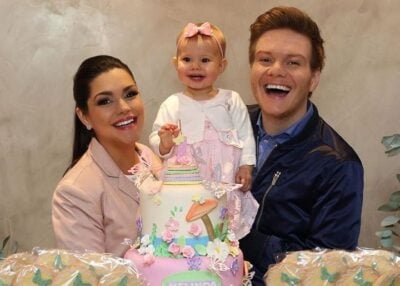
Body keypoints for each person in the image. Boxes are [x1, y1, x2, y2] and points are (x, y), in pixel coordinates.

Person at [238, 6, 364, 285]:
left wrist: (248, 240)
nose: (276, 71)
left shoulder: (339, 165)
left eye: (293, 62)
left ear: (314, 78)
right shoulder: (226, 127)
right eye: (265, 59)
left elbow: (327, 271)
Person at [148, 22, 258, 238]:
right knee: (190, 230)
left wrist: (246, 165)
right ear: (175, 63)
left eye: (205, 60)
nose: (195, 66)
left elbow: (246, 135)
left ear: (221, 65)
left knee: (221, 228)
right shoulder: (173, 104)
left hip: (223, 179)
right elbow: (155, 138)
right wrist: (165, 142)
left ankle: (223, 254)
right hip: (188, 182)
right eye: (187, 59)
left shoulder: (230, 100)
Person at [52, 55, 162, 257]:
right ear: (84, 116)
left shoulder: (148, 156)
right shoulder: (74, 192)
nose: (124, 108)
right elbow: (90, 277)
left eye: (130, 94)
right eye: (105, 101)